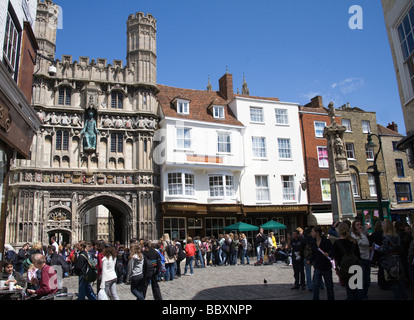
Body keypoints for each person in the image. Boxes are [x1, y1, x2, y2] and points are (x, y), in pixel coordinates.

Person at [378, 220, 408, 300]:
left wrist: (378, 248)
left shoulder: (385, 237)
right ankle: (404, 296)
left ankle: (397, 297)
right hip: (398, 259)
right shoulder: (397, 236)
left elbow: (384, 250)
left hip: (389, 260)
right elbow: (402, 249)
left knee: (393, 281)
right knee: (400, 281)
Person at [332, 222, 361, 300]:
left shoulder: (337, 243)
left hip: (345, 268)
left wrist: (336, 269)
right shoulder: (354, 241)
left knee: (349, 289)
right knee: (356, 289)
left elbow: (335, 258)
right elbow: (358, 255)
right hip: (356, 267)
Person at [308, 226, 334, 300]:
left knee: (329, 285)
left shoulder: (326, 241)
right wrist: (310, 260)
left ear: (317, 233)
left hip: (326, 266)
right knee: (315, 285)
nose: (311, 233)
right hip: (318, 266)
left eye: (313, 232)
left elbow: (332, 251)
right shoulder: (313, 242)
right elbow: (313, 253)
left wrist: (328, 253)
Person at [351, 219, 371, 299]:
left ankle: (364, 294)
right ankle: (361, 296)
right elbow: (366, 243)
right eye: (357, 225)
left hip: (367, 258)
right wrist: (362, 233)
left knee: (367, 280)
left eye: (360, 225)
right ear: (354, 227)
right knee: (361, 280)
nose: (359, 226)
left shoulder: (363, 234)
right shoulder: (354, 236)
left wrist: (363, 230)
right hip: (360, 259)